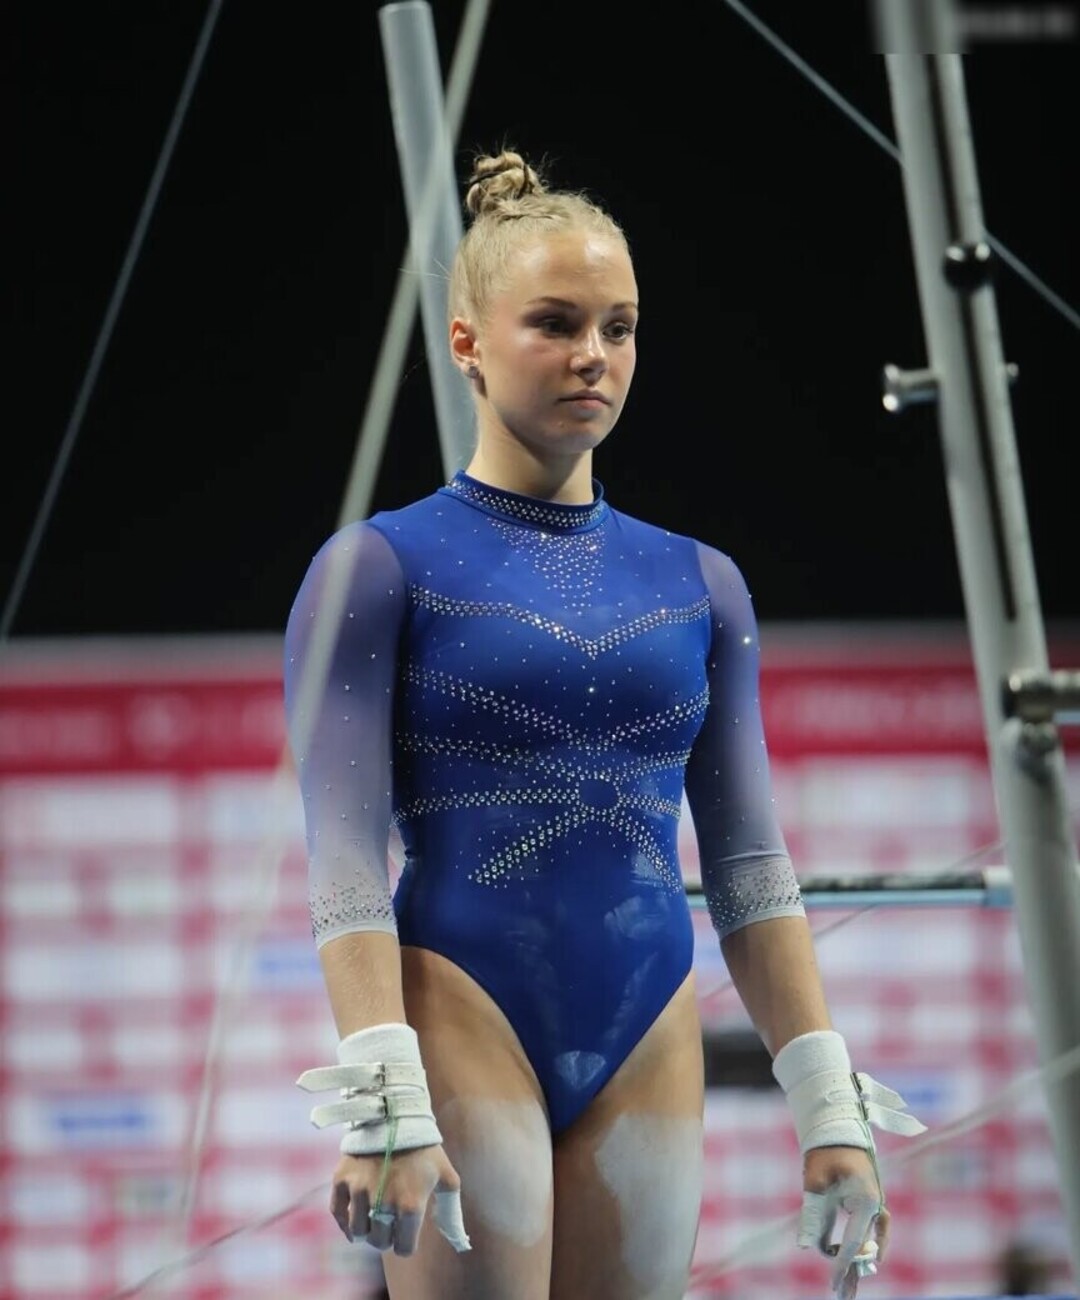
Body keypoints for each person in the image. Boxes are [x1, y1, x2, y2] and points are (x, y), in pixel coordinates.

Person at [283, 147, 925, 1300]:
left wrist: (828, 1100)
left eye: (619, 327)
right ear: (467, 341)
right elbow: (343, 859)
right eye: (556, 322)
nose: (594, 354)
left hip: (647, 1018)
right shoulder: (377, 569)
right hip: (461, 1000)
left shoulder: (701, 584)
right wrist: (384, 1092)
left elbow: (750, 865)